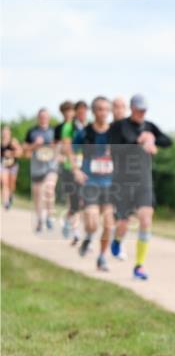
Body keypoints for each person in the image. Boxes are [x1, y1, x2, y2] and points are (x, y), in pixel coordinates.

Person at [108, 94, 172, 280]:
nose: (142, 113)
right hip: (123, 180)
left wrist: (152, 140)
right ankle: (118, 240)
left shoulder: (149, 127)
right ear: (131, 108)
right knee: (123, 223)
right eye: (139, 110)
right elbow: (115, 149)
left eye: (145, 110)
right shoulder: (119, 127)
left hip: (144, 180)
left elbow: (167, 141)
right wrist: (138, 143)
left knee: (146, 218)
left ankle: (139, 266)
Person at [73, 96, 116, 271]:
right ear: (93, 111)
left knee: (108, 223)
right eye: (99, 109)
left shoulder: (114, 132)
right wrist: (76, 170)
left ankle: (102, 257)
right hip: (90, 182)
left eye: (106, 109)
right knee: (92, 222)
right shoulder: (85, 133)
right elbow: (73, 152)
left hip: (110, 183)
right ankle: (89, 237)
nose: (103, 113)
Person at [56, 100, 88, 242]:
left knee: (83, 202)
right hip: (70, 168)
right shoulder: (68, 127)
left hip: (85, 168)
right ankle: (75, 231)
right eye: (79, 111)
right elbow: (67, 148)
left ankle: (72, 225)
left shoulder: (88, 127)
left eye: (84, 111)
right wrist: (74, 167)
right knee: (75, 202)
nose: (82, 114)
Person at [24, 108, 59, 233]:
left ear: (49, 118)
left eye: (46, 116)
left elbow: (60, 147)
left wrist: (53, 147)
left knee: (49, 189)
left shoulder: (54, 131)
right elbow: (25, 148)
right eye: (41, 116)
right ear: (38, 118)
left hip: (51, 166)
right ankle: (40, 220)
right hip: (37, 167)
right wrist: (35, 145)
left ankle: (50, 216)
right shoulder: (31, 132)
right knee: (38, 195)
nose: (43, 118)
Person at [108, 95, 132, 260]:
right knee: (109, 211)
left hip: (126, 177)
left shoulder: (131, 129)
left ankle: (118, 240)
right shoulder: (107, 129)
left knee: (125, 215)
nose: (119, 110)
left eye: (122, 106)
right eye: (116, 106)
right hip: (107, 176)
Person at [1, 125, 23, 210]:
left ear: (10, 132)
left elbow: (20, 152)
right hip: (3, 166)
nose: (5, 133)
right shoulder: (1, 143)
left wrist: (11, 153)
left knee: (11, 184)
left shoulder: (13, 141)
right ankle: (5, 202)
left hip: (13, 166)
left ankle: (11, 196)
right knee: (4, 182)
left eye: (6, 131)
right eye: (3, 131)